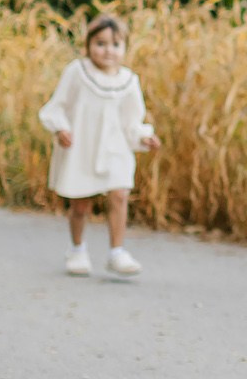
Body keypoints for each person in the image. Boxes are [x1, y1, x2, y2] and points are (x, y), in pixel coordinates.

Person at [38, 15, 158, 278]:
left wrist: (143, 136)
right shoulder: (77, 72)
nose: (108, 50)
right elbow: (57, 106)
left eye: (115, 44)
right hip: (82, 146)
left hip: (115, 147)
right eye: (100, 44)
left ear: (124, 48)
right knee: (81, 204)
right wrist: (61, 128)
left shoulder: (128, 80)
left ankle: (117, 252)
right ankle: (77, 249)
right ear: (88, 44)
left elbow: (131, 120)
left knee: (120, 194)